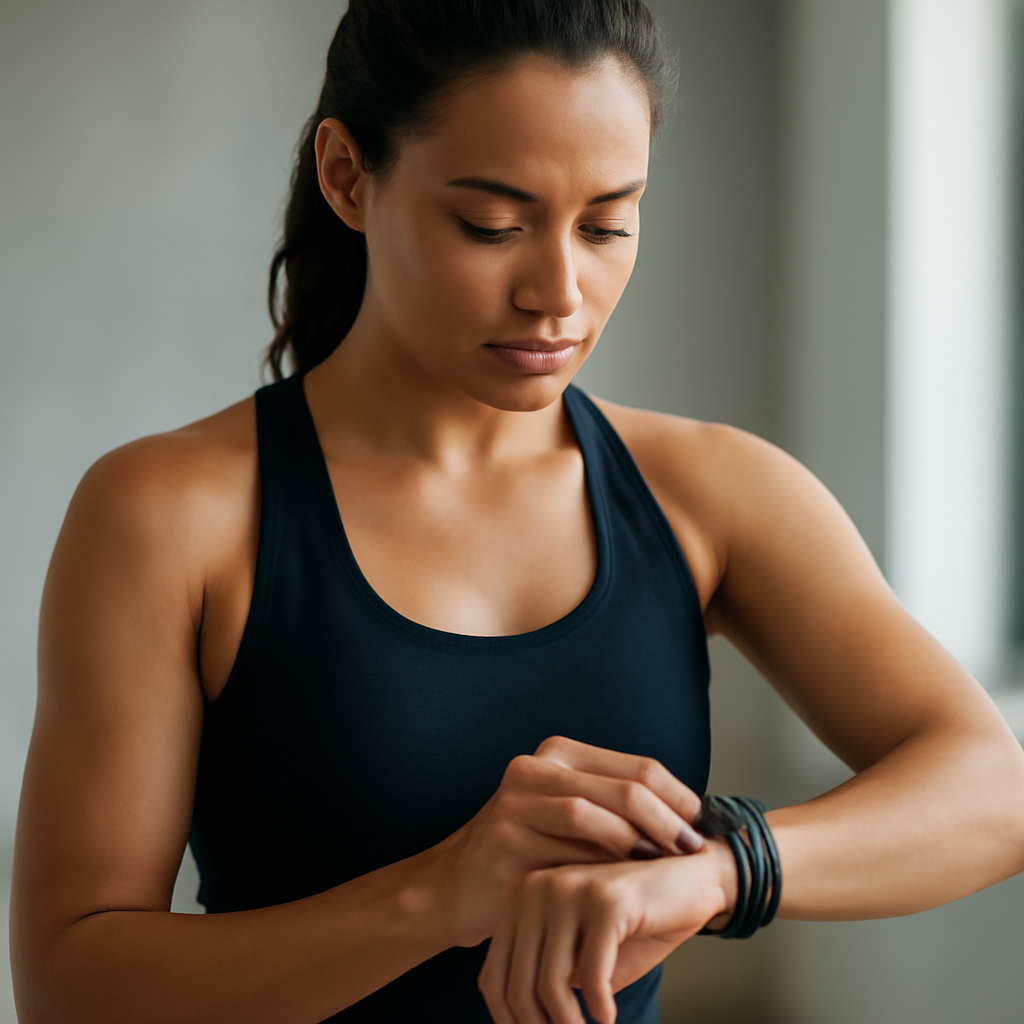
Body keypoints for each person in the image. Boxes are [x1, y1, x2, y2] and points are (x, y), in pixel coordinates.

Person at [10, 1, 1024, 1022]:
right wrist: (437, 896)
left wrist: (722, 869)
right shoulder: (167, 514)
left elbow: (993, 791)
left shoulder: (710, 493)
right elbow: (69, 983)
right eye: (491, 224)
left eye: (606, 224)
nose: (559, 292)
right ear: (348, 176)